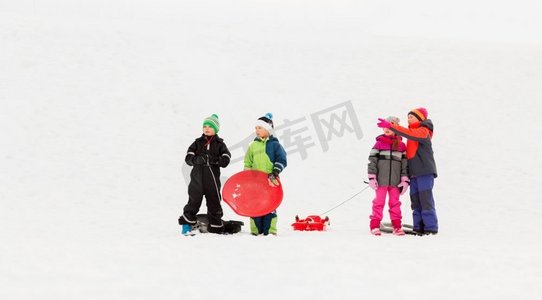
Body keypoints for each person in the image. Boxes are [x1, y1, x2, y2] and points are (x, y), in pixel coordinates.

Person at [377, 107, 438, 235]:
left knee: (425, 199)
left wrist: (392, 126)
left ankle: (430, 227)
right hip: (414, 174)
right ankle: (418, 227)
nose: (408, 118)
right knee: (415, 201)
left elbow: (409, 133)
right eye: (408, 116)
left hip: (424, 172)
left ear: (420, 118)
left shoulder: (423, 131)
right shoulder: (411, 132)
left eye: (411, 116)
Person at [178, 114, 231, 235]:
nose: (206, 129)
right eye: (205, 126)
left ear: (216, 129)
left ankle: (215, 225)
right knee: (194, 200)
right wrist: (196, 160)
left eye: (210, 127)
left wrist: (214, 160)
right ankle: (187, 224)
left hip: (211, 179)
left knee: (214, 200)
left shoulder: (220, 144)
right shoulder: (197, 143)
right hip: (197, 178)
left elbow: (226, 159)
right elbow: (188, 158)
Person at [244, 113, 287, 236]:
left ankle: (270, 230)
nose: (257, 130)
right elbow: (248, 161)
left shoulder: (275, 145)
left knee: (270, 205)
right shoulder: (253, 146)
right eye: (256, 128)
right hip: (255, 183)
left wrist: (275, 171)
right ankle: (256, 230)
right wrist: (247, 176)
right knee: (255, 204)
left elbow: (282, 160)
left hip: (270, 181)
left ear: (268, 129)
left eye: (260, 128)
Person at [367, 116, 409, 236]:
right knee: (379, 202)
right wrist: (372, 177)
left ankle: (397, 226)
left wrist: (405, 180)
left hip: (396, 182)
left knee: (395, 203)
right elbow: (372, 161)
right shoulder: (379, 144)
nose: (387, 128)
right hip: (381, 181)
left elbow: (405, 165)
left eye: (391, 125)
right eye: (385, 126)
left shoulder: (401, 146)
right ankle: (375, 225)